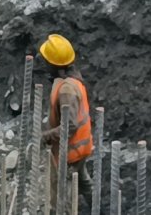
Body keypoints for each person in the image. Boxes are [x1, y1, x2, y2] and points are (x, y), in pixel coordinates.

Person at [39, 34, 94, 212]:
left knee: (63, 196)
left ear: (57, 66)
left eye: (47, 62)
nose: (44, 64)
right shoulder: (73, 80)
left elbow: (70, 126)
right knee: (84, 181)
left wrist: (45, 136)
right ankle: (99, 207)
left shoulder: (67, 91)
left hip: (71, 153)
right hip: (82, 147)